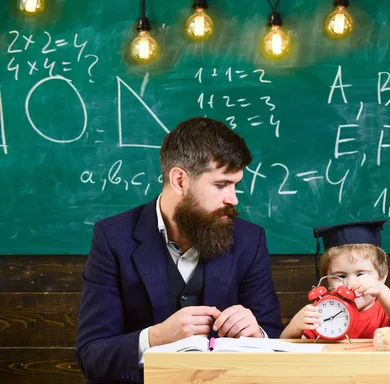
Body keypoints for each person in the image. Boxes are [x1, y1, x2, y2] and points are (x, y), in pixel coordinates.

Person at [76, 117, 283, 383]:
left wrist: (258, 336)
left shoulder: (249, 239)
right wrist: (155, 337)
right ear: (179, 181)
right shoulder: (112, 238)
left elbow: (274, 339)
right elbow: (91, 356)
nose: (233, 198)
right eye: (221, 185)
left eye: (235, 184)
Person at [280, 220, 390, 339]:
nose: (350, 285)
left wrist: (382, 291)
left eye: (361, 275)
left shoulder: (386, 310)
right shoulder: (323, 311)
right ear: (328, 281)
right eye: (341, 276)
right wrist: (294, 327)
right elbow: (284, 347)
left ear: (381, 277)